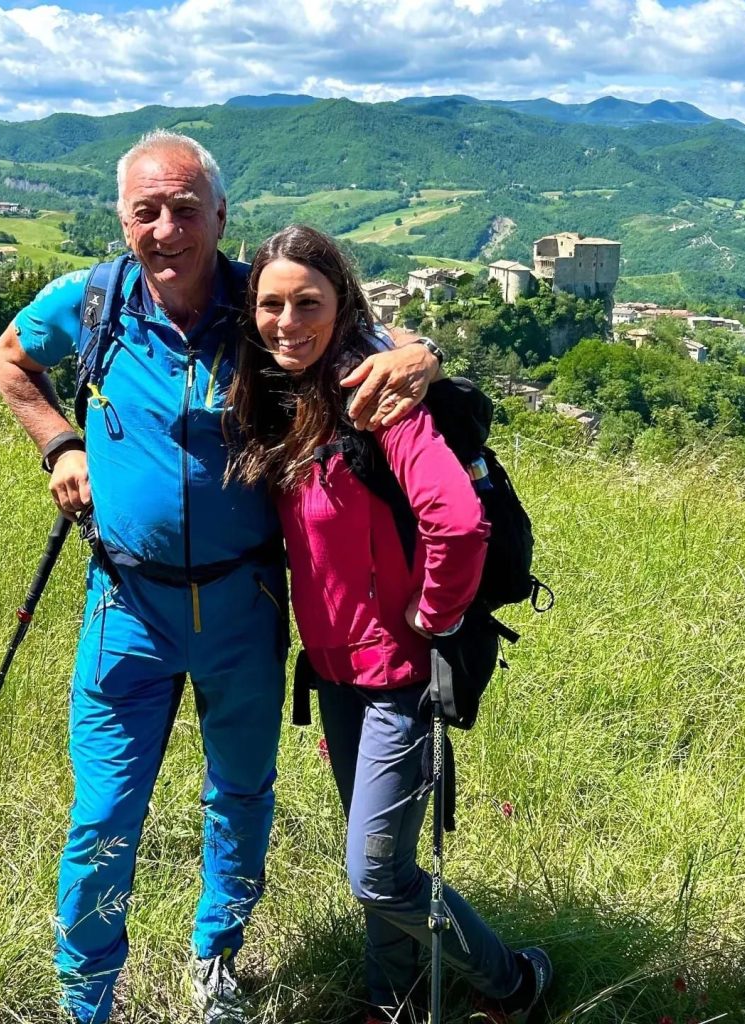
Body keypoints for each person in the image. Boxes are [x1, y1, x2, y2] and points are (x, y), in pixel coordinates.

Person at [0, 132, 442, 1024]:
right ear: (122, 219)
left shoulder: (265, 308)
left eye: (186, 209)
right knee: (104, 818)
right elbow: (11, 358)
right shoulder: (91, 302)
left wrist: (421, 357)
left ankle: (216, 960)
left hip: (245, 602)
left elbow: (384, 344)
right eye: (146, 211)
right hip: (127, 603)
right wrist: (59, 442)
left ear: (221, 217)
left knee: (239, 796)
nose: (165, 229)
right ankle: (88, 1000)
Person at [226, 224, 552, 1024]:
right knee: (387, 860)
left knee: (375, 874)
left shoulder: (379, 400)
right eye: (271, 305)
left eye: (309, 302)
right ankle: (392, 1001)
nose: (287, 321)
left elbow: (458, 519)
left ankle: (515, 981)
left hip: (399, 678)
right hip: (334, 672)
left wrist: (431, 617)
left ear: (341, 305)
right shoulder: (280, 397)